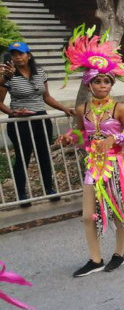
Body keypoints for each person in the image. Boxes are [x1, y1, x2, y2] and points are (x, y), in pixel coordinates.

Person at [57, 26, 124, 277]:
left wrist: (115, 137)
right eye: (97, 81)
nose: (102, 85)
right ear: (89, 83)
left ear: (111, 84)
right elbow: (81, 135)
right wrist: (69, 138)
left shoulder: (120, 108)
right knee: (89, 216)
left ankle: (118, 254)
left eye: (106, 81)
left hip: (116, 164)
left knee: (118, 211)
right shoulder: (81, 109)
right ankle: (95, 259)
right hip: (93, 165)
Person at [0, 41, 73, 204]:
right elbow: (0, 101)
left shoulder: (40, 72)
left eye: (21, 54)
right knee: (22, 157)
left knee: (44, 155)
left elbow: (46, 97)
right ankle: (22, 195)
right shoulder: (8, 75)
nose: (17, 57)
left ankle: (49, 189)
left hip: (41, 119)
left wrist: (64, 109)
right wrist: (13, 113)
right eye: (14, 54)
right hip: (20, 122)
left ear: (29, 55)